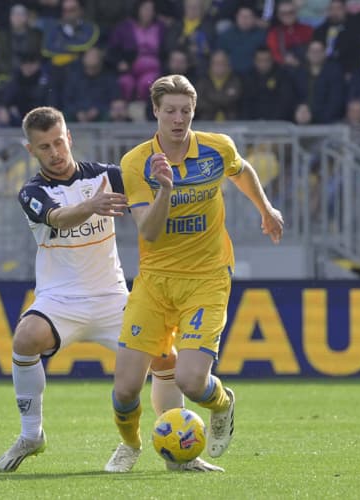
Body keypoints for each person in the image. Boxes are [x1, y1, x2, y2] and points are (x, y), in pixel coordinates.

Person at [0, 106, 222, 473]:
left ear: (69, 137)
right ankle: (31, 434)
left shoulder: (107, 176)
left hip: (113, 298)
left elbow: (149, 207)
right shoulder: (32, 192)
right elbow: (58, 217)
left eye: (58, 142)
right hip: (60, 300)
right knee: (25, 337)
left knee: (168, 359)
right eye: (44, 147)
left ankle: (180, 454)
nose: (55, 152)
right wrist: (91, 206)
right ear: (30, 150)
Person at [105, 74, 284, 472]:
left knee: (189, 380)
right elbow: (148, 231)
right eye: (169, 110)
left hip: (207, 276)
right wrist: (165, 187)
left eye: (185, 110)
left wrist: (266, 210)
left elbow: (241, 171)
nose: (178, 118)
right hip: (154, 281)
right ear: (155, 111)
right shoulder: (136, 163)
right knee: (124, 390)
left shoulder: (217, 147)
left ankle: (223, 403)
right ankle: (131, 446)